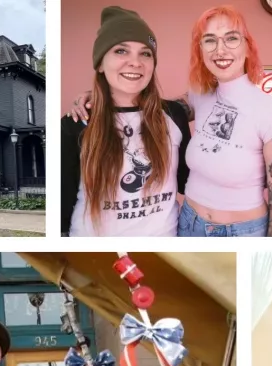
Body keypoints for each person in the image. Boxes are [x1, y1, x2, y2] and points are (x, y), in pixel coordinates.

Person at [73, 6, 272, 237]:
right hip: (187, 224)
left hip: (241, 232)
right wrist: (101, 95)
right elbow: (148, 106)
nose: (220, 49)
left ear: (247, 47)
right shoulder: (199, 97)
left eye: (231, 38)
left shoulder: (271, 112)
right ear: (201, 50)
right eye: (210, 40)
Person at [61, 7, 191, 237]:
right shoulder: (75, 124)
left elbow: (187, 182)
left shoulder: (174, 114)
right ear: (100, 64)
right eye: (121, 51)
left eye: (145, 53)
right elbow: (63, 203)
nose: (135, 62)